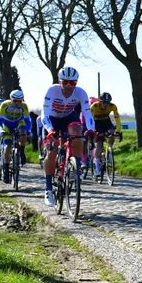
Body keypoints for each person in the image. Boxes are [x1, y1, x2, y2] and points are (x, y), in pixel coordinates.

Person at [40, 66, 93, 207]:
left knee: (78, 134)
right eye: (65, 82)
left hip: (69, 117)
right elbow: (44, 113)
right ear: (60, 81)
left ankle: (75, 164)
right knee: (51, 152)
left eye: (73, 83)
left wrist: (92, 130)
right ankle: (48, 189)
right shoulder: (53, 90)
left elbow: (87, 113)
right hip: (52, 119)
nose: (69, 86)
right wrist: (50, 130)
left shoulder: (81, 93)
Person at [0, 91, 31, 183]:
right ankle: (6, 169)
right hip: (7, 125)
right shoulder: (4, 105)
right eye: (15, 101)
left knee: (23, 131)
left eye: (19, 101)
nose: (17, 103)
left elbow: (28, 121)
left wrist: (29, 131)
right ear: (11, 99)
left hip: (18, 123)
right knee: (7, 146)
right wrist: (1, 130)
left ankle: (22, 152)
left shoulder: (24, 106)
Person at [88, 91, 121, 178]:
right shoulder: (94, 106)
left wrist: (118, 130)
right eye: (104, 103)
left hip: (106, 121)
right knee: (98, 145)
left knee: (112, 133)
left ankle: (109, 151)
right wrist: (92, 131)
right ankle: (97, 168)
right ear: (100, 101)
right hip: (96, 123)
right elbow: (90, 120)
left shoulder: (113, 106)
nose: (106, 105)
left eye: (107, 103)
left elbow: (117, 118)